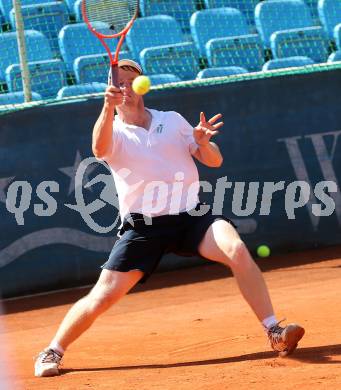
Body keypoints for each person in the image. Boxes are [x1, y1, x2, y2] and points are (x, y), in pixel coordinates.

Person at [34, 59, 305, 377]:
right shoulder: (115, 131)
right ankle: (52, 350)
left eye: (130, 80)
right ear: (111, 90)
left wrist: (204, 143)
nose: (126, 88)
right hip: (144, 228)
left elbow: (214, 161)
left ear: (141, 84)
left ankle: (274, 331)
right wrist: (106, 109)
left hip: (193, 218)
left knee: (237, 249)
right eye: (118, 83)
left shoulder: (172, 120)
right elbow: (98, 148)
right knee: (103, 294)